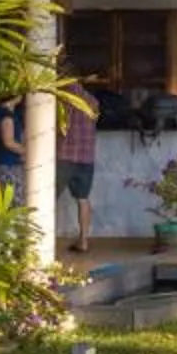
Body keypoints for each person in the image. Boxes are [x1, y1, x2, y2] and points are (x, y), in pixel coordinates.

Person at [54, 85, 99, 253]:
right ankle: (84, 241)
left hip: (64, 156)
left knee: (49, 199)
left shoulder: (61, 99)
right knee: (83, 199)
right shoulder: (93, 101)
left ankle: (45, 242)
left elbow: (56, 126)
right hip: (86, 157)